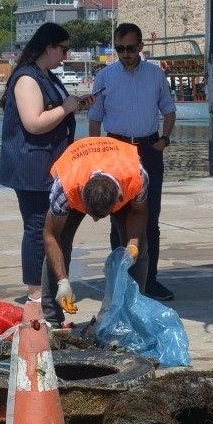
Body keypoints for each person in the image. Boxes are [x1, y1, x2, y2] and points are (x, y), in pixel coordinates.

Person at [0, 23, 91, 314]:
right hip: (31, 165)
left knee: (48, 227)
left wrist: (76, 105)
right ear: (48, 46)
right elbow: (34, 123)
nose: (65, 55)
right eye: (63, 49)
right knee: (38, 228)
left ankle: (46, 287)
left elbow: (54, 112)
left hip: (49, 163)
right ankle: (36, 293)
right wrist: (67, 108)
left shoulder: (47, 76)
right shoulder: (27, 79)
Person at [89, 22, 177, 301]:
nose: (125, 54)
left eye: (129, 48)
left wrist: (164, 140)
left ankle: (149, 280)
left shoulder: (155, 74)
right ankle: (122, 280)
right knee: (118, 218)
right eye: (119, 49)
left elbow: (169, 109)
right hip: (116, 149)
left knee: (150, 218)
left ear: (140, 47)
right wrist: (96, 152)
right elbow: (95, 116)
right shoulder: (105, 77)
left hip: (149, 149)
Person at [41, 136, 152, 325]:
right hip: (77, 175)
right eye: (91, 214)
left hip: (119, 179)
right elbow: (51, 234)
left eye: (100, 216)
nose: (93, 220)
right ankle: (52, 318)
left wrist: (133, 244)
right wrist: (63, 281)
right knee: (59, 246)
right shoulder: (66, 186)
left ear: (119, 198)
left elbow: (139, 212)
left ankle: (131, 316)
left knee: (139, 253)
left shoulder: (137, 176)